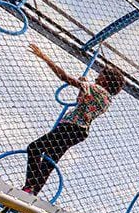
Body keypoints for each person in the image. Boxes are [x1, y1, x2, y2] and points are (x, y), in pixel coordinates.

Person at [22, 43, 124, 196]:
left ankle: (29, 187)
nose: (97, 76)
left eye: (101, 75)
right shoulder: (107, 99)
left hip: (70, 127)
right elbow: (81, 102)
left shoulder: (96, 89)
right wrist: (84, 87)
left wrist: (45, 57)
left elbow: (64, 77)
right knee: (49, 162)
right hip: (79, 131)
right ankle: (32, 192)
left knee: (35, 148)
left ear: (106, 81)